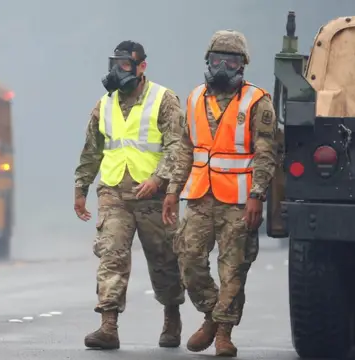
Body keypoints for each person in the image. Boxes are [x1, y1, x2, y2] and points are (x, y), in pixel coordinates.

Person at [162, 30, 277, 357]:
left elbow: (266, 152)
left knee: (234, 268)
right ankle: (212, 314)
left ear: (243, 64)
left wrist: (257, 194)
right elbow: (185, 149)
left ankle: (224, 333)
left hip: (240, 201)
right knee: (188, 258)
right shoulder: (195, 97)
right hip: (199, 196)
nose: (223, 66)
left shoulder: (257, 100)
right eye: (217, 59)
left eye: (231, 60)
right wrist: (173, 189)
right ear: (207, 62)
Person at [73, 40, 185, 350]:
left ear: (141, 67)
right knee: (111, 254)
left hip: (153, 196)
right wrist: (81, 187)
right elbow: (91, 150)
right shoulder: (104, 104)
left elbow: (177, 146)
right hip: (114, 192)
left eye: (124, 65)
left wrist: (160, 179)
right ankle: (108, 325)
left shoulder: (164, 100)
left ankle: (172, 315)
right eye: (114, 64)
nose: (117, 71)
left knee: (164, 261)